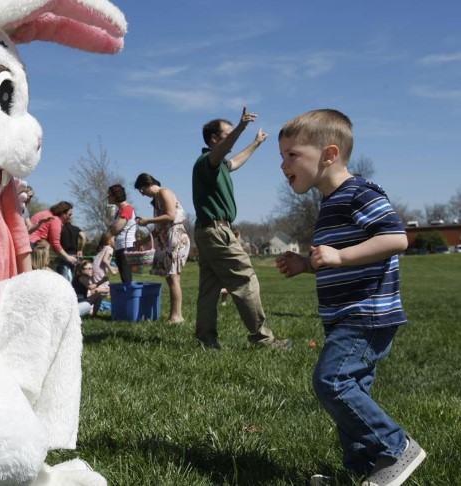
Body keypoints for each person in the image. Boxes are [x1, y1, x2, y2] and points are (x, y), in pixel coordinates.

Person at [275, 109, 425, 486]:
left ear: (329, 154)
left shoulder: (359, 193)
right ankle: (361, 471)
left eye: (292, 155)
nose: (283, 164)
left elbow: (396, 238)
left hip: (368, 313)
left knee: (334, 383)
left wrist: (339, 255)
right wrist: (307, 265)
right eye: (282, 156)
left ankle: (397, 447)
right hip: (344, 315)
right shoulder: (330, 203)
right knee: (353, 392)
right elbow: (339, 256)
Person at [192, 107, 290, 350]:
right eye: (228, 135)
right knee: (245, 279)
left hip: (208, 231)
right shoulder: (208, 161)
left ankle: (206, 340)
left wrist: (255, 143)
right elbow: (223, 153)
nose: (233, 140)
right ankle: (263, 339)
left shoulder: (220, 166)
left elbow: (235, 160)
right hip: (216, 232)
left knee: (210, 286)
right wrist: (242, 127)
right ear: (214, 139)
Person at [134, 173, 190, 324]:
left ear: (148, 183)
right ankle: (175, 315)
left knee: (173, 276)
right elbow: (158, 228)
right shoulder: (156, 200)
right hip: (166, 238)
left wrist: (147, 220)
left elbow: (171, 216)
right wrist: (143, 243)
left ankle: (177, 316)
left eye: (141, 189)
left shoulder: (164, 192)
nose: (142, 193)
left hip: (176, 237)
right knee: (170, 277)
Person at [29, 201, 78, 269]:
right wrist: (68, 258)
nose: (70, 217)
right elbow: (55, 244)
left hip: (27, 243)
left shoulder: (45, 213)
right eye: (69, 215)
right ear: (62, 212)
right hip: (35, 246)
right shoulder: (55, 220)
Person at [107, 184, 137, 283]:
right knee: (124, 277)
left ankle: (130, 297)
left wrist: (108, 234)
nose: (107, 197)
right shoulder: (119, 210)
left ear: (116, 196)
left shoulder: (127, 208)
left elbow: (116, 228)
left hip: (126, 246)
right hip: (120, 247)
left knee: (126, 277)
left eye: (109, 195)